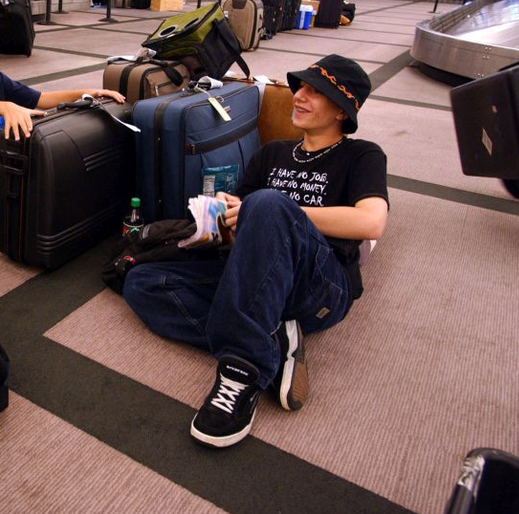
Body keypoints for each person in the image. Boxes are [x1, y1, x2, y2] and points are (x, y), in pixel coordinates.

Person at [123, 54, 388, 448]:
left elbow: (370, 222)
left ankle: (242, 370)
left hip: (321, 283)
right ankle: (273, 338)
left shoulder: (362, 154)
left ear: (341, 110)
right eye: (301, 87)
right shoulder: (272, 154)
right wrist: (225, 220)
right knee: (142, 282)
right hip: (257, 277)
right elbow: (241, 234)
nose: (299, 96)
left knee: (267, 203)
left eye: (316, 93)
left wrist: (274, 209)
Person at [0, 4, 125, 236]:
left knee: (52, 203)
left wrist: (89, 92)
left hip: (0, 169)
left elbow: (40, 99)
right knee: (12, 227)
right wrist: (6, 107)